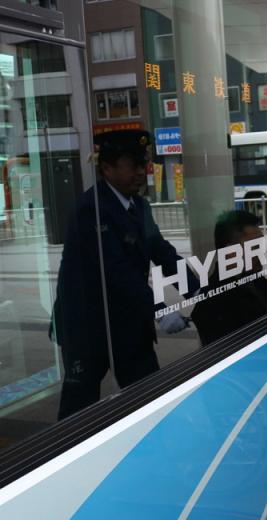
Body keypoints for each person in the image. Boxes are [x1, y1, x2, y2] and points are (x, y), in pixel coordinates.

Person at [51, 129, 198, 419]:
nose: (142, 171)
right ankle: (66, 459)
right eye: (132, 164)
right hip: (87, 325)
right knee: (78, 407)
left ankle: (151, 451)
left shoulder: (139, 206)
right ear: (107, 168)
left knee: (148, 394)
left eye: (143, 163)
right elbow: (115, 270)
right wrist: (160, 310)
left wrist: (199, 290)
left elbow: (162, 251)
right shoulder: (90, 209)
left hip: (127, 320)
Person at [192, 210, 267, 345]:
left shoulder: (254, 279)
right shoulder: (214, 301)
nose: (261, 252)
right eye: (255, 246)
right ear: (230, 253)